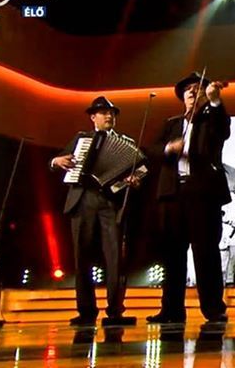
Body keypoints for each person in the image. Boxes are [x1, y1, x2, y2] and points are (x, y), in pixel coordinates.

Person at [50, 96, 141, 326]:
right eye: (103, 112)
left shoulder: (126, 142)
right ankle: (86, 311)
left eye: (112, 113)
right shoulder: (82, 138)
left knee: (115, 258)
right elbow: (57, 160)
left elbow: (139, 170)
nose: (109, 116)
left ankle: (115, 310)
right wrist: (57, 161)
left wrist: (133, 179)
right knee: (82, 257)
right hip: (83, 200)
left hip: (111, 202)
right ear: (93, 117)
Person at [147, 72, 230, 323]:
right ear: (182, 97)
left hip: (202, 194)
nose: (192, 92)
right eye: (188, 89)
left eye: (198, 88)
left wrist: (215, 101)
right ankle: (171, 309)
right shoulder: (172, 124)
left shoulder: (212, 119)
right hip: (173, 194)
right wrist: (168, 148)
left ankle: (213, 308)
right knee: (172, 254)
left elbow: (223, 129)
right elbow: (150, 150)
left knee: (206, 251)